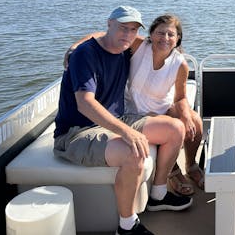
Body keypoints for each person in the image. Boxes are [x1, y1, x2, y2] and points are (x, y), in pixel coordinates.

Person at [55, 6, 192, 235]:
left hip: (117, 118)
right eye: (122, 28)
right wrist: (127, 132)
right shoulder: (85, 55)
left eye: (133, 30)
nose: (127, 35)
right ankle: (127, 225)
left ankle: (158, 195)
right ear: (109, 24)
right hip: (77, 132)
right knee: (134, 152)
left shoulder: (125, 49)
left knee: (175, 129)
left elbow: (177, 93)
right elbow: (85, 104)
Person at [65, 14, 204, 197]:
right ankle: (173, 171)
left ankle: (191, 165)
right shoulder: (139, 46)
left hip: (162, 108)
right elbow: (102, 35)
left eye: (171, 34)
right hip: (132, 111)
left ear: (178, 38)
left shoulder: (180, 64)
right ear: (151, 35)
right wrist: (75, 47)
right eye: (160, 33)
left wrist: (185, 115)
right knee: (171, 129)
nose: (165, 38)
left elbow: (180, 98)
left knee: (195, 121)